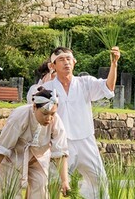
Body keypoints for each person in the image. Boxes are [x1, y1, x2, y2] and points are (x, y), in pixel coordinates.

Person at [42, 45, 119, 199]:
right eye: (61, 59)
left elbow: (108, 87)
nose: (66, 62)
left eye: (69, 59)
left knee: (99, 181)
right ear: (53, 66)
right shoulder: (46, 89)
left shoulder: (85, 83)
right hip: (60, 142)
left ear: (74, 62)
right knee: (54, 184)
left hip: (86, 140)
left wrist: (114, 64)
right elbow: (40, 116)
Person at [0, 87, 71, 198]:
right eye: (45, 113)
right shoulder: (19, 117)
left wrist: (64, 181)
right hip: (13, 159)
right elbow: (2, 147)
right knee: (11, 194)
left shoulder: (56, 121)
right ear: (34, 107)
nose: (49, 118)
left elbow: (61, 152)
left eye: (52, 114)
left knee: (40, 189)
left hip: (38, 159)